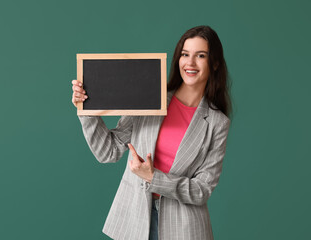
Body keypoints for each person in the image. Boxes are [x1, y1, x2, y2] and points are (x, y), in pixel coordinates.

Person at [71, 25, 232, 240]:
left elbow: (202, 189)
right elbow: (108, 152)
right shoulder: (151, 97)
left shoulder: (217, 123)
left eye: (200, 55)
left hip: (184, 228)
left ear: (214, 63)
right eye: (185, 54)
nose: (190, 63)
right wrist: (86, 109)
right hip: (135, 220)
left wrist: (154, 178)